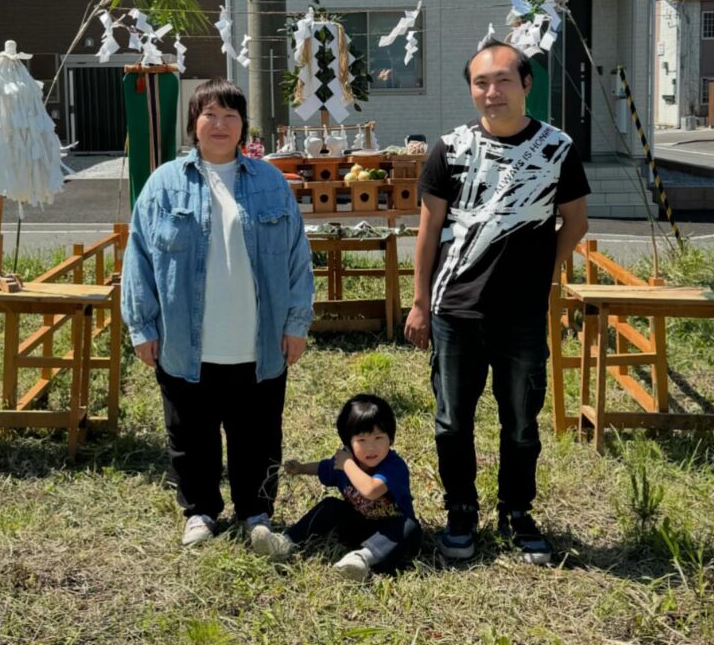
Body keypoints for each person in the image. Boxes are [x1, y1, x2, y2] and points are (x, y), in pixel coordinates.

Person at [404, 42, 590, 565]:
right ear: (471, 89)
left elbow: (575, 223)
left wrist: (544, 278)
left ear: (526, 85)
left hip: (522, 316)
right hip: (454, 310)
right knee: (452, 421)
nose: (492, 92)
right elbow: (429, 229)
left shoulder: (557, 149)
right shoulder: (450, 148)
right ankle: (461, 509)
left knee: (522, 422)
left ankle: (516, 511)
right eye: (481, 82)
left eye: (503, 80)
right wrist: (419, 303)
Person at [122, 78, 314, 547]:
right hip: (186, 339)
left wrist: (296, 324)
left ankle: (257, 511)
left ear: (244, 124)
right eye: (210, 114)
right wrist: (142, 326)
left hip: (258, 338)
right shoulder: (164, 185)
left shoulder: (269, 182)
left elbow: (296, 257)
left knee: (259, 433)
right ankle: (200, 511)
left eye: (231, 115)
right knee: (191, 433)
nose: (221, 124)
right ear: (194, 122)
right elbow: (139, 257)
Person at [249, 394, 421, 581]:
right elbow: (323, 467)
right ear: (348, 443)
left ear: (391, 439)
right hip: (357, 525)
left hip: (390, 534)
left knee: (409, 527)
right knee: (330, 505)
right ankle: (284, 542)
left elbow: (371, 491)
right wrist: (301, 468)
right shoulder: (345, 462)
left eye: (379, 437)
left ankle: (360, 559)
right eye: (361, 440)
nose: (371, 447)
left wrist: (347, 464)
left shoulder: (393, 466)